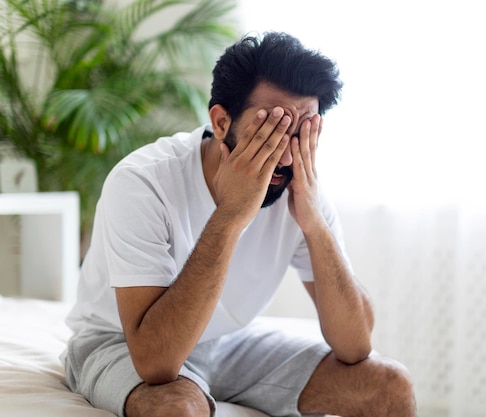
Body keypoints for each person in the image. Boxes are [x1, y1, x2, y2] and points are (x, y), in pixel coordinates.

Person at [63, 31, 417, 417]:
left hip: (226, 342)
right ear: (220, 120)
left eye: (300, 134)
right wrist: (231, 215)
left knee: (388, 385)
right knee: (177, 408)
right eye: (271, 131)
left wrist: (315, 226)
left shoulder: (301, 190)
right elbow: (156, 363)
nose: (284, 155)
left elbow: (356, 346)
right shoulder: (142, 183)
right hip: (121, 342)